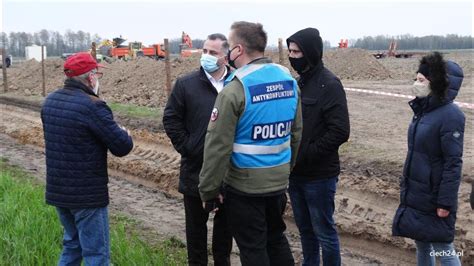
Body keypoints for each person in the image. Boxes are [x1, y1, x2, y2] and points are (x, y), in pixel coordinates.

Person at [199, 21, 303, 266]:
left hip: (245, 187)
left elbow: (217, 146)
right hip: (277, 182)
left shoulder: (236, 89)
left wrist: (209, 190)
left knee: (252, 248)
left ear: (237, 49)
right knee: (276, 239)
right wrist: (284, 171)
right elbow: (296, 134)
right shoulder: (288, 81)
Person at [41, 52, 134, 265]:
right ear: (91, 77)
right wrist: (125, 133)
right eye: (98, 74)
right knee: (97, 255)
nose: (98, 79)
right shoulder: (92, 106)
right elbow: (122, 146)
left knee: (72, 245)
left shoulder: (50, 102)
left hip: (59, 192)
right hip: (87, 196)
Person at [163, 33, 233, 266]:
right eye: (204, 51)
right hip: (195, 170)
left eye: (213, 53)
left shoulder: (237, 84)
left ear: (225, 57)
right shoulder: (186, 84)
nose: (206, 56)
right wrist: (189, 146)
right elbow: (171, 120)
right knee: (195, 235)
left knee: (224, 237)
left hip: (230, 172)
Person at [392, 52, 465, 266]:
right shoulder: (423, 110)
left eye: (421, 80)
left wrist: (445, 202)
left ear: (436, 83)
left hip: (435, 196)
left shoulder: (451, 115)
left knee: (444, 249)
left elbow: (453, 163)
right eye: (416, 79)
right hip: (418, 191)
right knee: (422, 242)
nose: (416, 83)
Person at [285, 28, 350, 266]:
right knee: (305, 230)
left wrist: (307, 153)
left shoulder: (330, 85)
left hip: (320, 177)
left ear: (310, 53)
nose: (292, 57)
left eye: (296, 52)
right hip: (296, 174)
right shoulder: (297, 84)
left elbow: (340, 131)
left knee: (324, 231)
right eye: (290, 51)